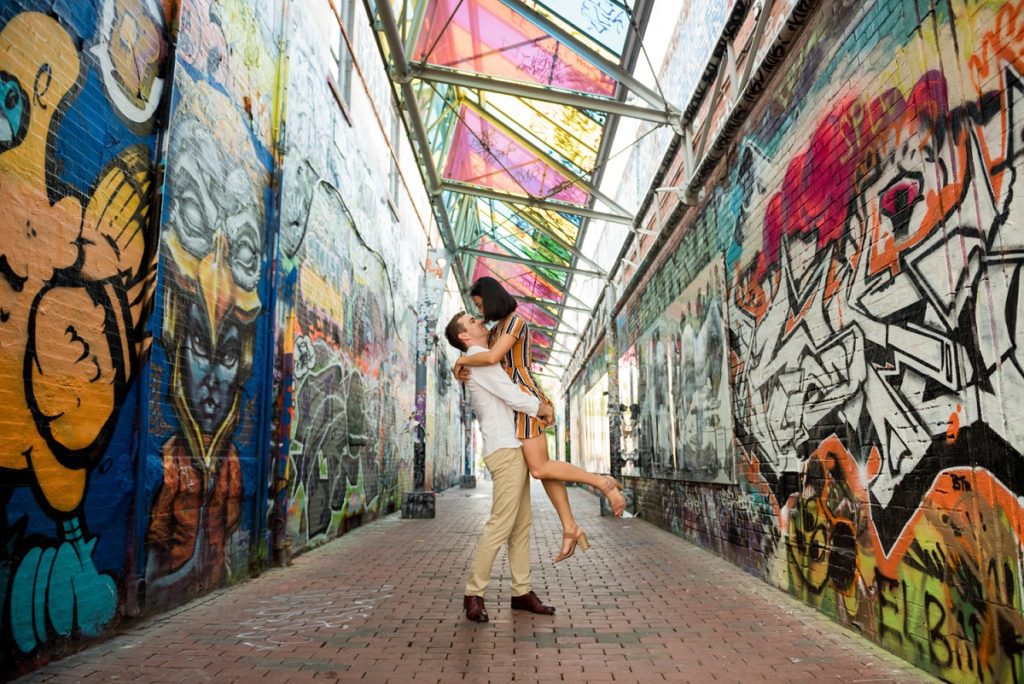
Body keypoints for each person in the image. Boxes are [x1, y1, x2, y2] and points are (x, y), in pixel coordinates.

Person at [453, 277, 626, 564]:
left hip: (525, 397)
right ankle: (570, 527)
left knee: (540, 467)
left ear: (493, 298)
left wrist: (461, 361)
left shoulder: (515, 322)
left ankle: (602, 483)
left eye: (481, 305)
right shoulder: (497, 328)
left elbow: (494, 356)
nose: (481, 313)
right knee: (542, 469)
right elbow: (488, 359)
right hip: (517, 402)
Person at [444, 311, 558, 623]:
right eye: (471, 320)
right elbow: (511, 395)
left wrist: (459, 362)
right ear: (465, 337)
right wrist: (542, 408)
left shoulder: (477, 358)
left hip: (511, 448)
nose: (479, 319)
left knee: (521, 525)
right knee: (501, 524)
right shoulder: (479, 358)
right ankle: (473, 593)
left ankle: (521, 591)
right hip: (505, 451)